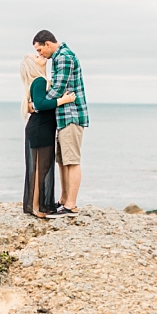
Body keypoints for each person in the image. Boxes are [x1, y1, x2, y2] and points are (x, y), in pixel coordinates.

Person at [32, 30, 89, 213]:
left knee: (71, 160)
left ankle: (70, 204)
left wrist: (40, 104)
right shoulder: (60, 57)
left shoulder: (63, 57)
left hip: (71, 115)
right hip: (63, 116)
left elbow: (58, 88)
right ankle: (64, 199)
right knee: (63, 160)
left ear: (48, 44)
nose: (40, 54)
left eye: (40, 50)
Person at [20, 53, 76, 218]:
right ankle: (37, 208)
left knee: (40, 169)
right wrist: (63, 100)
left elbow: (36, 104)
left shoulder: (41, 80)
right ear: (33, 65)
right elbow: (40, 104)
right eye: (36, 57)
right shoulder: (40, 81)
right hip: (40, 129)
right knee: (40, 169)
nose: (40, 56)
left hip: (41, 128)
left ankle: (36, 205)